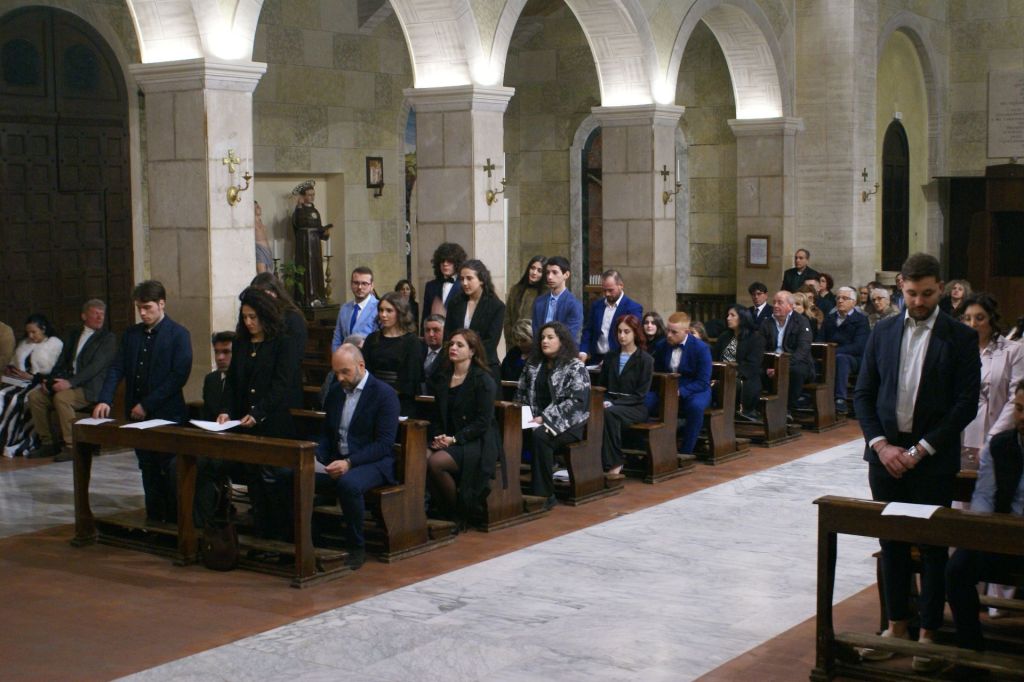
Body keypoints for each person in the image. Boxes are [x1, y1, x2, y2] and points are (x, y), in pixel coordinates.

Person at [853, 253, 980, 670]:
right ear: (900, 289)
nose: (919, 302)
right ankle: (896, 628)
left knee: (931, 548)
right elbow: (863, 393)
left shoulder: (959, 337)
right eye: (912, 294)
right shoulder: (884, 331)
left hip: (932, 457)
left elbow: (965, 404)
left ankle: (928, 636)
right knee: (891, 544)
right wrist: (881, 446)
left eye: (927, 293)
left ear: (940, 288)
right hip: (886, 456)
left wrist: (920, 450)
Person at [93, 281, 192, 523]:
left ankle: (175, 522)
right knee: (147, 467)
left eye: (148, 307)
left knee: (168, 469)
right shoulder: (131, 334)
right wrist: (105, 399)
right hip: (137, 415)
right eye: (139, 308)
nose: (143, 313)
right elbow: (116, 368)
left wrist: (147, 404)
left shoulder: (178, 334)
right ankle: (154, 519)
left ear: (161, 304)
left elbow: (178, 376)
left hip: (166, 414)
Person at [212, 288, 298, 540]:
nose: (249, 322)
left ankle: (281, 538)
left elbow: (281, 385)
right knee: (254, 482)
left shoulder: (283, 342)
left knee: (273, 482)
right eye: (245, 317)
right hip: (245, 423)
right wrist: (226, 410)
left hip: (273, 423)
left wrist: (259, 412)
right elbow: (233, 383)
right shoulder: (241, 343)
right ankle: (262, 535)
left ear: (265, 315)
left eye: (253, 317)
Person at [945, 381, 1024, 652]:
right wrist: (983, 534)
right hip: (1001, 535)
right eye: (1019, 409)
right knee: (957, 570)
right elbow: (984, 496)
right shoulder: (1001, 445)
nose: (1022, 417)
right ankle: (971, 651)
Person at [316, 344, 400, 570]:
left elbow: (383, 444)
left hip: (374, 462)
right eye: (336, 372)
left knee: (349, 484)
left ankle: (356, 547)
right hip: (339, 458)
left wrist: (350, 462)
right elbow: (326, 433)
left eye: (345, 372)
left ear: (361, 366)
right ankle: (312, 537)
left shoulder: (384, 394)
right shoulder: (336, 392)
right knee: (290, 474)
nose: (340, 378)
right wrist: (317, 456)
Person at [425, 329, 501, 527]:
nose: (453, 348)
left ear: (472, 351)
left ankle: (458, 513)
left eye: (460, 345)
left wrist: (455, 439)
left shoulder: (483, 380)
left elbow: (483, 422)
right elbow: (437, 415)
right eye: (451, 344)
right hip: (449, 437)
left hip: (476, 441)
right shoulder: (443, 377)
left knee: (436, 462)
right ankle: (441, 509)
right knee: (421, 458)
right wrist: (438, 436)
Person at [26, 300, 116, 461]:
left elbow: (94, 367)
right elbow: (62, 361)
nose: (100, 317)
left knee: (62, 398)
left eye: (102, 314)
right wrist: (49, 381)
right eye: (95, 313)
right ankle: (48, 443)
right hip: (68, 382)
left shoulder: (108, 338)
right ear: (84, 316)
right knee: (35, 397)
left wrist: (70, 383)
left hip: (90, 388)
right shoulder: (74, 334)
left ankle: (72, 446)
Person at [515, 321, 590, 510]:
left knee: (541, 435)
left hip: (569, 423)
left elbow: (576, 402)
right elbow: (521, 394)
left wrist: (545, 418)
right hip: (534, 419)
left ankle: (544, 495)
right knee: (507, 431)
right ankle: (508, 492)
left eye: (550, 337)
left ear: (562, 340)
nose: (544, 341)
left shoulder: (575, 366)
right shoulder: (533, 364)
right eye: (542, 338)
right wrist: (522, 418)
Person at [961, 293, 1024, 455]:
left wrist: (993, 438)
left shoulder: (1014, 350)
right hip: (962, 433)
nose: (972, 324)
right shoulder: (957, 351)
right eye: (967, 318)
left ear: (991, 318)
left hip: (997, 432)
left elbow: (1014, 399)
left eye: (979, 318)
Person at [597, 315, 653, 476]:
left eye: (627, 332)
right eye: (619, 332)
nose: (622, 336)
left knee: (610, 413)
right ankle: (593, 460)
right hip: (611, 403)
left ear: (635, 333)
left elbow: (640, 394)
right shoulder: (610, 357)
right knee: (596, 412)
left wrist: (614, 403)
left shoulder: (645, 359)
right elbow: (602, 386)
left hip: (634, 407)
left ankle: (615, 462)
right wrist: (606, 400)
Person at [1, 314, 62, 458]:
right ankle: (3, 438)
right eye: (28, 332)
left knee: (17, 400)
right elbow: (16, 362)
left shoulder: (54, 344)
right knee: (1, 395)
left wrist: (33, 377)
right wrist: (12, 370)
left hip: (40, 383)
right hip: (20, 382)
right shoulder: (25, 343)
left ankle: (17, 440)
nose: (30, 335)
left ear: (43, 329)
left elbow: (55, 371)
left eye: (34, 332)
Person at [652, 312, 712, 457]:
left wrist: (681, 391)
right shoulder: (661, 346)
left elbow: (703, 381)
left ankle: (686, 452)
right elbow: (657, 372)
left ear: (686, 332)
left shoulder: (701, 348)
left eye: (674, 332)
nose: (669, 335)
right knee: (645, 402)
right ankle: (650, 448)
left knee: (695, 406)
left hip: (695, 389)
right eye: (668, 330)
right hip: (668, 388)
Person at [250, 271, 307, 410]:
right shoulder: (260, 319)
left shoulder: (292, 319)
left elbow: (292, 361)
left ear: (275, 293)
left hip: (285, 394)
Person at [362, 291, 424, 416]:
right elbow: (365, 370)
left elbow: (411, 378)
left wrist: (385, 394)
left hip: (400, 400)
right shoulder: (372, 339)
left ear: (400, 313)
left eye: (389, 311)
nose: (383, 315)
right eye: (381, 310)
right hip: (373, 396)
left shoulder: (411, 342)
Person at [443, 259, 505, 377]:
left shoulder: (496, 306)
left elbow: (491, 342)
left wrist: (467, 355)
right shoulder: (455, 303)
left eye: (469, 278)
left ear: (481, 280)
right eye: (462, 279)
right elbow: (447, 335)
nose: (465, 283)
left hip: (484, 366)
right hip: (456, 367)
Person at [760, 291, 814, 418]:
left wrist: (782, 367)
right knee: (755, 371)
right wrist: (767, 366)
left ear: (790, 306)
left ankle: (787, 409)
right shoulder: (767, 322)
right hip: (772, 363)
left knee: (796, 372)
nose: (775, 306)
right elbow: (760, 347)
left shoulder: (801, 321)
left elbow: (803, 350)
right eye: (774, 302)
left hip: (795, 363)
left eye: (780, 303)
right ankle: (759, 408)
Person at [817, 287, 869, 415]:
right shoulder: (829, 319)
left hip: (853, 358)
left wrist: (833, 352)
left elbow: (859, 346)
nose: (840, 301)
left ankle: (840, 399)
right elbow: (819, 339)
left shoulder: (861, 320)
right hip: (829, 355)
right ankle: (809, 396)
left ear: (853, 302)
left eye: (845, 298)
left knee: (841, 359)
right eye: (838, 298)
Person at [579, 270, 643, 366]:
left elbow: (632, 337)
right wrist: (583, 351)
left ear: (621, 286)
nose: (607, 294)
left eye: (610, 290)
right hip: (595, 358)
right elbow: (588, 330)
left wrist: (612, 358)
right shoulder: (596, 305)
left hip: (619, 359)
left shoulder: (633, 308)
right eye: (604, 290)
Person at [713, 304, 765, 421]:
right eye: (728, 315)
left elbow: (752, 364)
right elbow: (715, 357)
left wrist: (732, 373)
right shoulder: (724, 336)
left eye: (732, 315)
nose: (728, 318)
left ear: (742, 318)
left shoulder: (755, 338)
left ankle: (726, 416)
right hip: (721, 374)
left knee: (727, 384)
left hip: (744, 378)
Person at [291, 180, 332, 306]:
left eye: (313, 194)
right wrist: (298, 207)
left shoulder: (315, 211)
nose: (312, 197)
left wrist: (325, 232)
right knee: (306, 267)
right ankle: (306, 297)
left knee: (316, 267)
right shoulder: (299, 210)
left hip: (315, 244)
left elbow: (319, 228)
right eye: (309, 194)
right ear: (303, 196)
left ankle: (318, 296)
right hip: (304, 243)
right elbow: (297, 224)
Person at [531, 256, 583, 343]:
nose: (549, 277)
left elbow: (569, 336)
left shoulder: (574, 304)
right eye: (547, 273)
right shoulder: (539, 302)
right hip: (540, 348)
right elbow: (535, 333)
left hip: (564, 350)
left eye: (555, 272)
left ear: (566, 275)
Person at [503, 256, 546, 349]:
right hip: (514, 342)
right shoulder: (515, 290)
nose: (534, 272)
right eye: (532, 268)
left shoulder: (546, 294)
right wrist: (511, 337)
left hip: (535, 344)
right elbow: (507, 317)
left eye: (539, 271)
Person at [332, 266, 379, 350]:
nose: (360, 287)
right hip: (345, 356)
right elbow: (337, 339)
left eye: (364, 283)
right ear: (351, 284)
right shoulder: (344, 308)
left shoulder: (379, 308)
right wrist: (336, 355)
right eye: (356, 283)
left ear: (372, 286)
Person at [421, 242, 466, 326]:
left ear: (457, 263)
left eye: (449, 261)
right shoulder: (430, 286)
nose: (445, 264)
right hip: (434, 332)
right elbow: (425, 316)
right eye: (442, 261)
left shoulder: (464, 285)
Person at [200, 331, 235, 421]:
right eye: (216, 352)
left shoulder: (249, 381)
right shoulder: (211, 379)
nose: (220, 358)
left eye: (226, 352)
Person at [422, 314, 445, 381]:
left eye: (436, 330)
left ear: (444, 331)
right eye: (427, 330)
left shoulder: (448, 354)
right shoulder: (417, 350)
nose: (431, 334)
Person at [254, 201, 273, 275]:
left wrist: (269, 250)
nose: (260, 208)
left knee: (269, 274)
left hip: (267, 250)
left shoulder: (261, 221)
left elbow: (265, 238)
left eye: (259, 206)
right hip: (259, 250)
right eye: (257, 207)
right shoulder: (252, 222)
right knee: (262, 275)